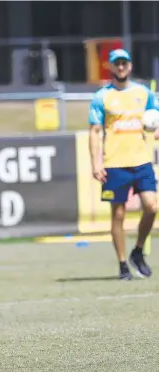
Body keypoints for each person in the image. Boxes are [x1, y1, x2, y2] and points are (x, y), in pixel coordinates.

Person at [89, 48, 159, 280]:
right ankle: (122, 265)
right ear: (110, 67)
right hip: (115, 164)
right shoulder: (102, 96)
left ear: (130, 66)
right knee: (117, 215)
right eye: (116, 63)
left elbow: (156, 116)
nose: (121, 67)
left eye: (124, 63)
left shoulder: (144, 93)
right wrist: (96, 163)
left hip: (141, 161)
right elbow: (96, 131)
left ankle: (138, 251)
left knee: (152, 207)